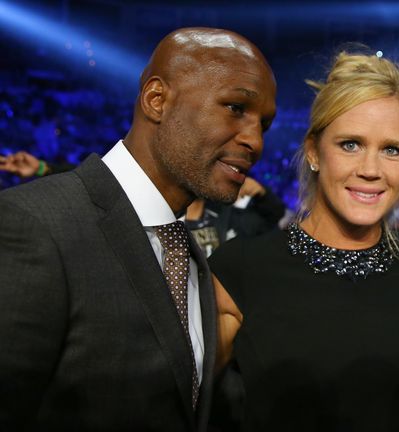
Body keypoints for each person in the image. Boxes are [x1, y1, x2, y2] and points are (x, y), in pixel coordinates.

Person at [0, 27, 276, 430]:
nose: (255, 141)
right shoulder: (34, 225)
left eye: (264, 125)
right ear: (157, 100)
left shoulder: (188, 256)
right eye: (235, 107)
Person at [209, 51, 399, 431]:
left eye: (391, 150)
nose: (370, 170)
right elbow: (178, 404)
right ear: (315, 151)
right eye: (350, 144)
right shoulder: (240, 269)